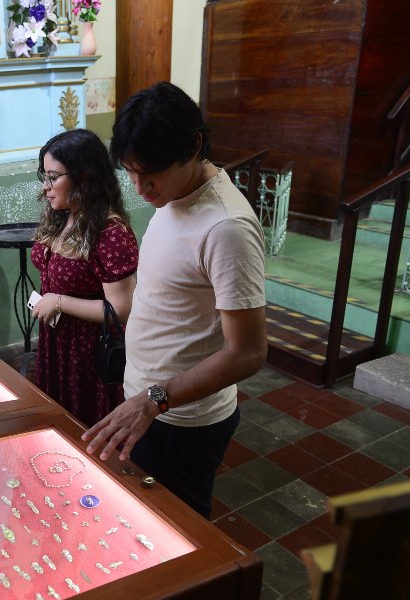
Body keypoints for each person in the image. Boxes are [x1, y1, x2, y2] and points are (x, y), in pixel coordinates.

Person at [81, 82, 268, 519]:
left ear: (194, 146)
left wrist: (153, 400)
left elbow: (248, 352)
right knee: (142, 518)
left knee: (180, 533)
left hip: (182, 420)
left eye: (151, 172)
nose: (140, 186)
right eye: (129, 171)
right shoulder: (175, 194)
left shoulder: (226, 227)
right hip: (147, 405)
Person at [30, 129, 139, 427]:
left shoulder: (110, 233)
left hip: (90, 349)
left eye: (54, 177)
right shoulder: (62, 215)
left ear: (84, 176)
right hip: (58, 342)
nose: (46, 187)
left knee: (87, 427)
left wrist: (60, 301)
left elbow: (120, 309)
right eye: (45, 176)